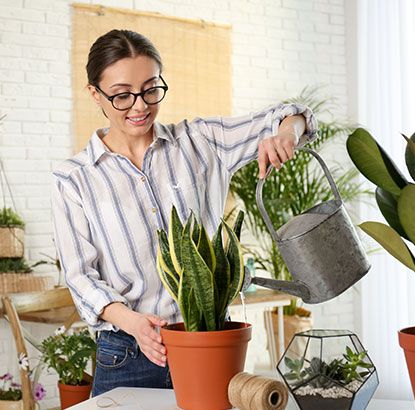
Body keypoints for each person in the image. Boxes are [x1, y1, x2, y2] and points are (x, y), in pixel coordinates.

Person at [51, 29, 317, 396]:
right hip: (129, 353)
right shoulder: (74, 179)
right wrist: (133, 323)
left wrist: (286, 134)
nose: (140, 106)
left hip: (210, 342)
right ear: (95, 93)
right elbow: (81, 276)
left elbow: (293, 114)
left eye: (150, 89)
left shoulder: (201, 141)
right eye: (122, 95)